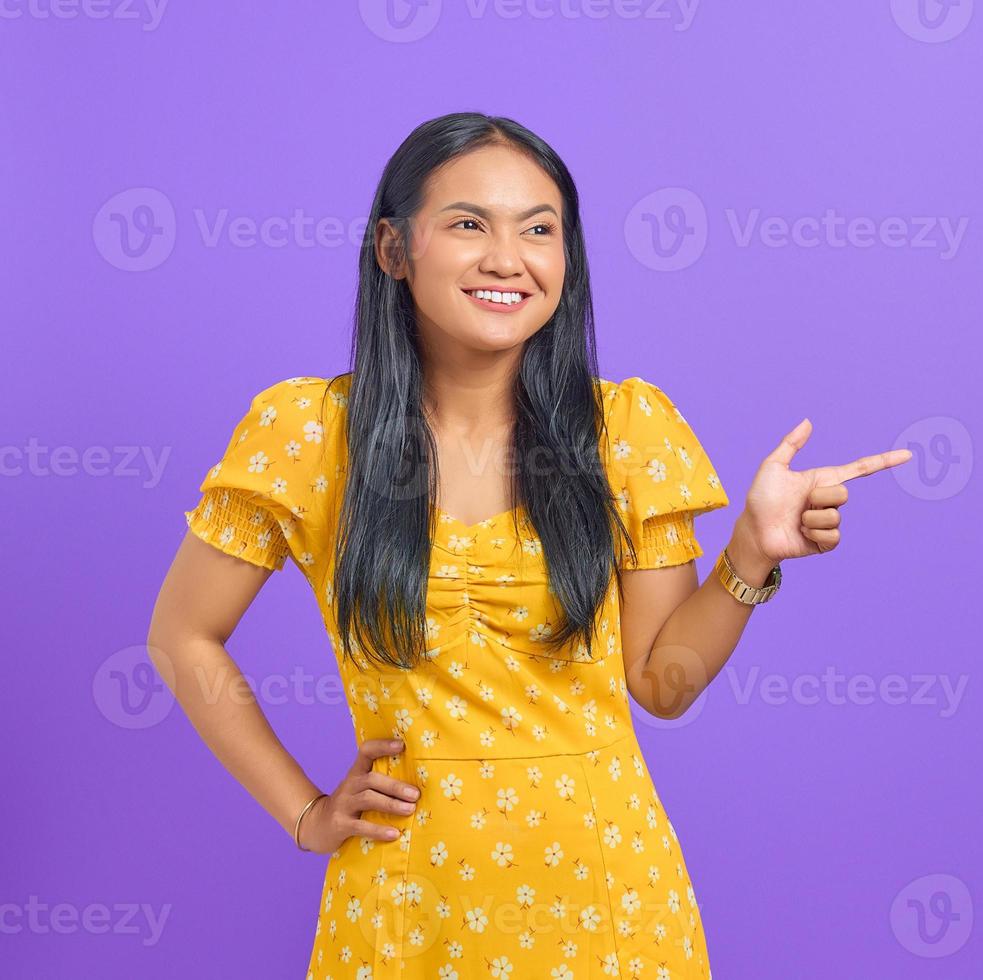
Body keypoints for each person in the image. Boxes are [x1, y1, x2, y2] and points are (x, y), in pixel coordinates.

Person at [147, 112, 912, 979]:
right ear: (395, 249)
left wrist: (750, 557)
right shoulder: (308, 434)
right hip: (407, 903)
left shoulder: (624, 430)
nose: (509, 258)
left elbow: (663, 686)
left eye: (540, 230)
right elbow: (181, 636)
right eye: (469, 224)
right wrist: (305, 813)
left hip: (610, 898)